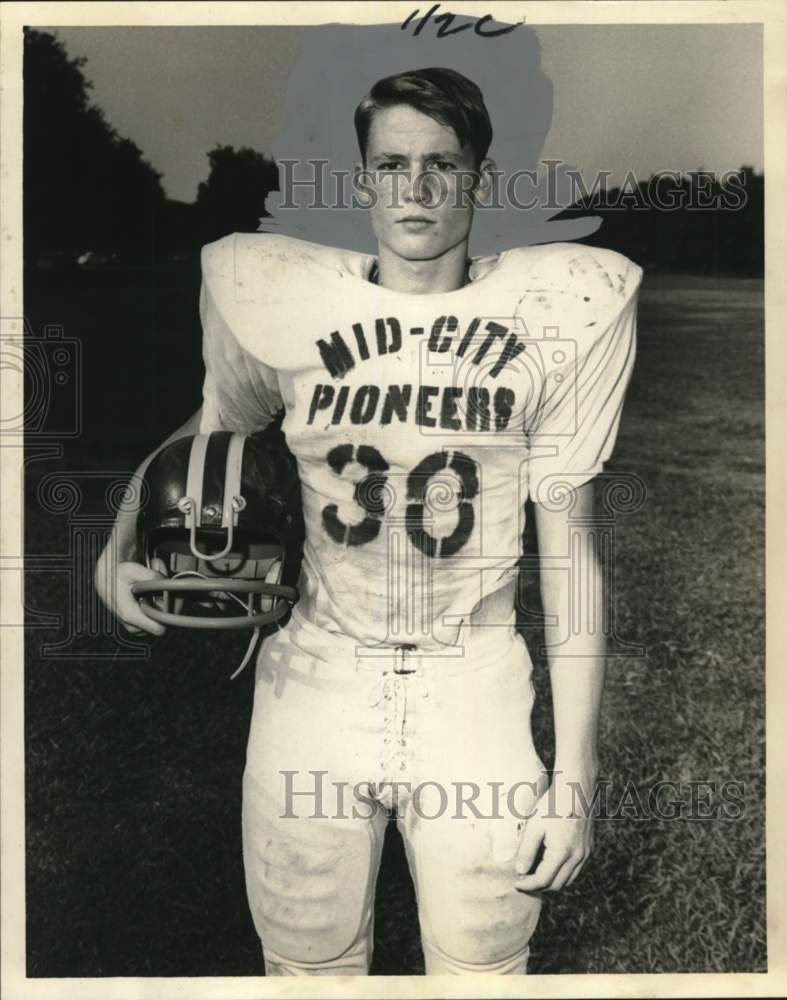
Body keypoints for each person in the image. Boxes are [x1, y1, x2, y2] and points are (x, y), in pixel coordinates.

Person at [96, 67, 641, 976]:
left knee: (483, 968)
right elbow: (210, 427)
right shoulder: (292, 307)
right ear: (361, 181)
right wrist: (117, 541)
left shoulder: (557, 313)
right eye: (393, 165)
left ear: (479, 179)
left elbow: (570, 548)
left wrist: (575, 774)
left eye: (442, 165)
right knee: (307, 965)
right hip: (315, 676)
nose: (417, 188)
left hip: (475, 682)